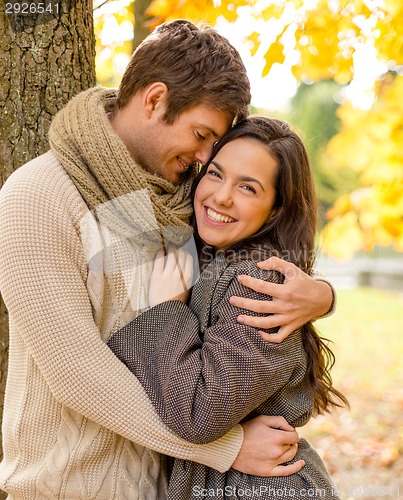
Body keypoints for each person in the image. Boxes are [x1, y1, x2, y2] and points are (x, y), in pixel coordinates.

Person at [0, 20, 334, 500]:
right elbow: (77, 372)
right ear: (154, 99)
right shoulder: (40, 196)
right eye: (201, 136)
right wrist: (226, 448)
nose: (203, 160)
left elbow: (246, 270)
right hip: (69, 488)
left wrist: (322, 296)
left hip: (165, 488)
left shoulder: (178, 200)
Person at [107, 116, 349, 499]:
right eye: (216, 174)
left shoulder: (259, 280)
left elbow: (201, 415)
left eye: (248, 188)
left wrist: (168, 310)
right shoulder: (211, 256)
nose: (221, 196)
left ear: (275, 210)